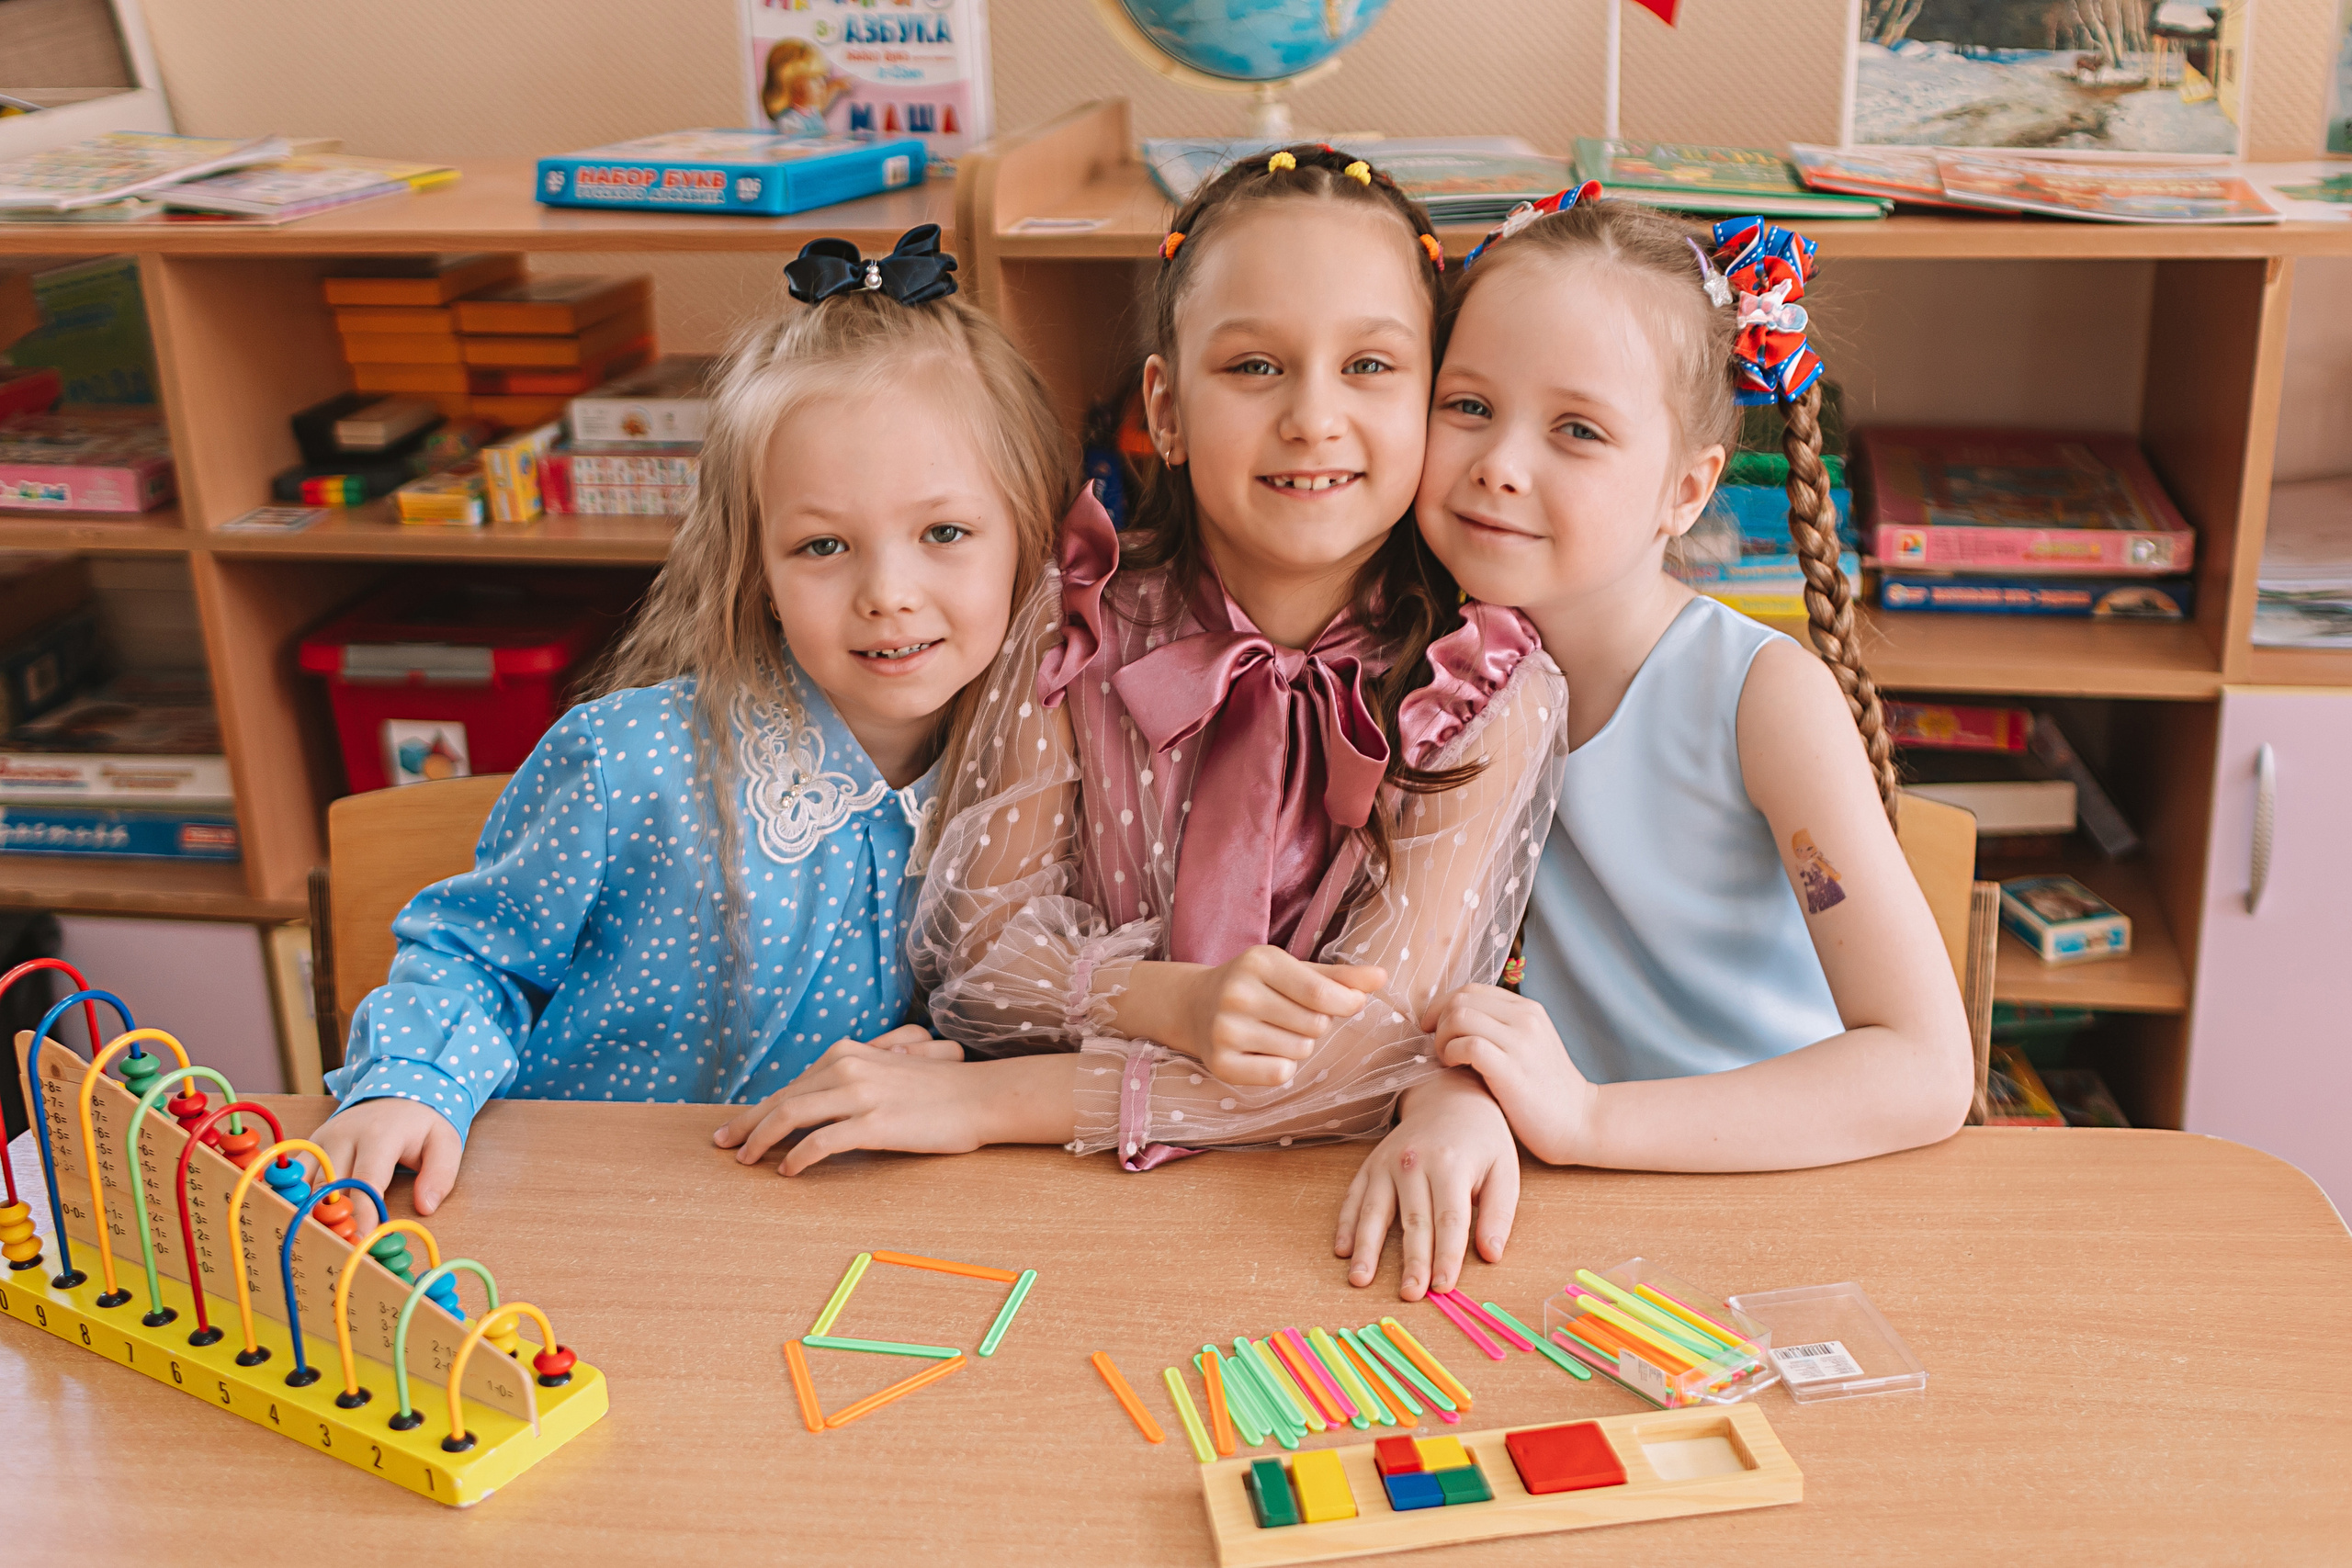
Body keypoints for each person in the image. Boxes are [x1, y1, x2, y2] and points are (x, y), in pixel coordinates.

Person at [715, 147, 1567, 1229]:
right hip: (1046, 1204)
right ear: (1162, 407)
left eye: (1369, 367)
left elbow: (1374, 1051)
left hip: (1316, 1211)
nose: (1311, 417)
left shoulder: (1486, 687)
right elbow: (976, 955)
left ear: (1436, 399)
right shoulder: (1076, 624)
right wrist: (1166, 997)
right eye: (1254, 366)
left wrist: (988, 1101)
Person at [317, 227, 1072, 1213]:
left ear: (1030, 536)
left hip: (825, 1228)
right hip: (574, 1213)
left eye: (944, 533)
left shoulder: (1037, 781)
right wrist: (409, 1087)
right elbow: (472, 955)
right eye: (822, 545)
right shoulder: (628, 764)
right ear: (753, 569)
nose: (888, 593)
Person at [1343, 187, 1973, 1292]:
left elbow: (1922, 1071)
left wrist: (1585, 1117)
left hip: (1788, 1207)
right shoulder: (1423, 662)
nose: (1499, 464)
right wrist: (1457, 1087)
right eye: (1469, 404)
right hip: (1580, 1217)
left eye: (1576, 430)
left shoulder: (1761, 699)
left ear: (1686, 490)